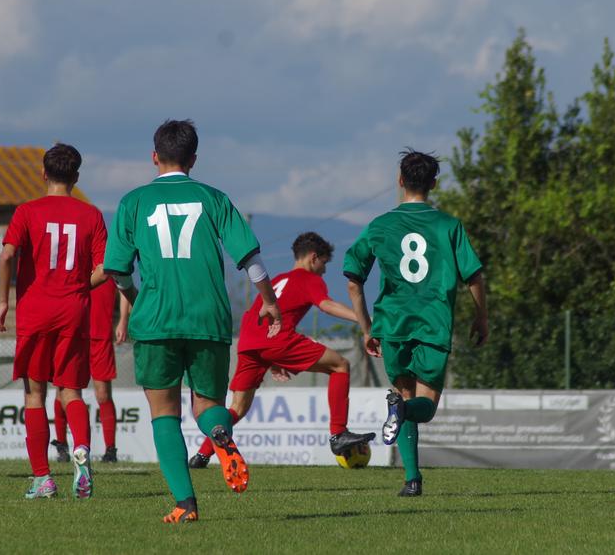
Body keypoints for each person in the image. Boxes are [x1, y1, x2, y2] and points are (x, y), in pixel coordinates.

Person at [103, 119, 282, 523]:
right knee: (208, 405)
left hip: (155, 319)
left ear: (154, 157)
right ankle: (220, 434)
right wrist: (269, 301)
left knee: (164, 413)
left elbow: (116, 270)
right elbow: (250, 259)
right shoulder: (213, 198)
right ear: (194, 159)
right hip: (209, 317)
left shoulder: (132, 202)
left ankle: (185, 504)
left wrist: (135, 298)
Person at [343, 149, 487, 497]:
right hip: (433, 323)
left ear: (399, 181)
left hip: (393, 324)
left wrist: (367, 328)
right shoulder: (448, 226)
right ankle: (403, 419)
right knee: (424, 405)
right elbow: (474, 276)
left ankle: (412, 479)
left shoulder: (380, 225)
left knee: (403, 393)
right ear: (434, 183)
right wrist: (481, 317)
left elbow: (352, 280)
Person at [189, 232, 374, 468]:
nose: (324, 271)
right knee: (340, 365)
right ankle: (338, 434)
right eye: (324, 264)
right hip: (277, 339)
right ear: (314, 258)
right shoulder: (308, 278)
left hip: (248, 343)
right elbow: (326, 305)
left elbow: (259, 313)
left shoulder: (277, 280)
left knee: (237, 408)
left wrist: (272, 360)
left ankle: (202, 456)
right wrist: (362, 318)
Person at [0, 143, 108, 499]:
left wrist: (2, 302)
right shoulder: (91, 215)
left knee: (34, 394)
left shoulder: (27, 211)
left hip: (35, 311)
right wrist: (76, 287)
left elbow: (8, 253)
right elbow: (105, 269)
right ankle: (82, 455)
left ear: (43, 173)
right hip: (73, 311)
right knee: (71, 391)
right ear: (75, 177)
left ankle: (43, 478)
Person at [52, 277, 129, 463]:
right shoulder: (74, 256)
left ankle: (110, 450)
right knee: (64, 392)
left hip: (100, 336)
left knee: (103, 394)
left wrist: (123, 321)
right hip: (72, 333)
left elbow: (125, 286)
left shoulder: (109, 256)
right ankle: (62, 445)